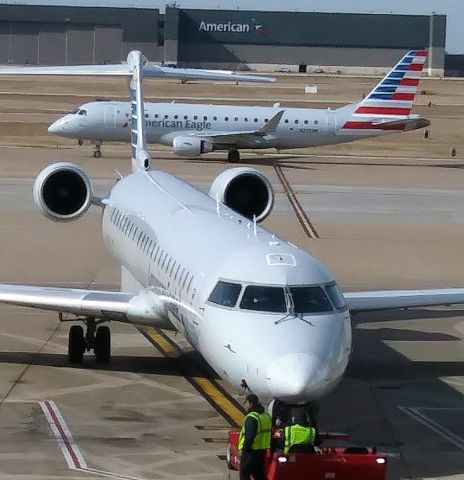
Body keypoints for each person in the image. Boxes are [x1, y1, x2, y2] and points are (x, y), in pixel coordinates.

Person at [238, 393, 272, 480]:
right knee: (259, 475)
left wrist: (244, 449)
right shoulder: (266, 416)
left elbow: (249, 437)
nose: (245, 405)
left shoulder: (252, 417)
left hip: (250, 452)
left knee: (244, 475)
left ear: (251, 404)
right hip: (261, 451)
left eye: (246, 403)